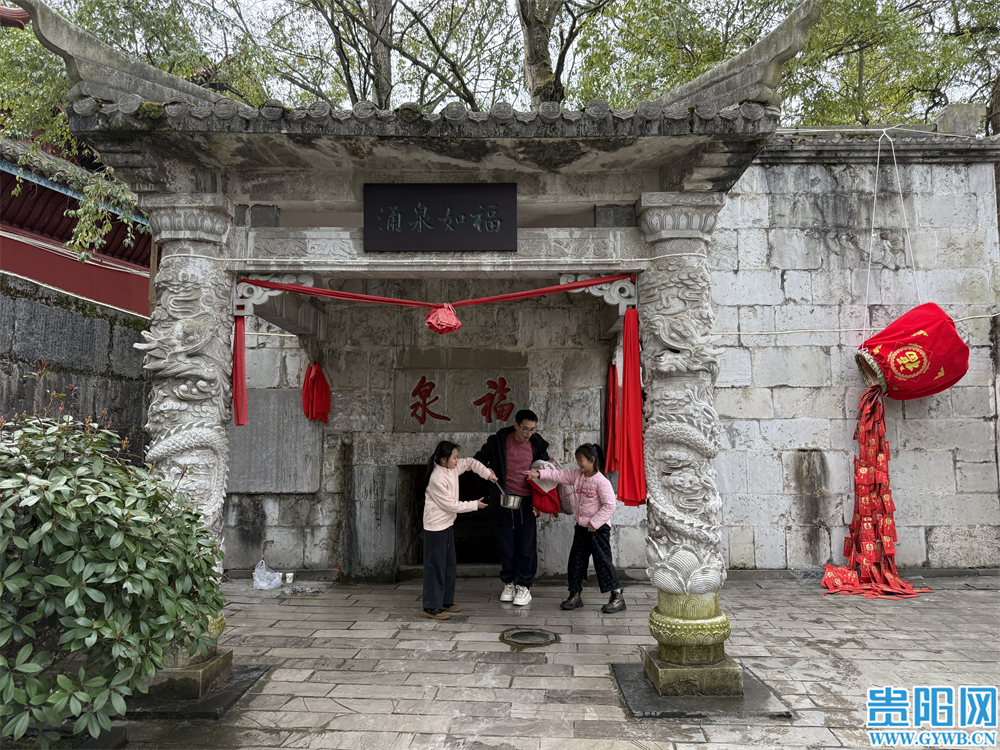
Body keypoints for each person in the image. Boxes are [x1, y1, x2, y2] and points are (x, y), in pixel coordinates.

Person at [525, 443, 626, 614]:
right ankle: (575, 595)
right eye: (577, 460)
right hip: (581, 528)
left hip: (598, 530)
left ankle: (617, 596)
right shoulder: (576, 475)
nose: (578, 463)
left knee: (603, 562)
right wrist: (539, 474)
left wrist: (595, 523)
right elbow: (559, 475)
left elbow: (609, 505)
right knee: (576, 562)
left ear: (592, 460)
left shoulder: (602, 481)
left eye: (581, 460)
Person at [473, 409, 550, 606]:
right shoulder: (498, 441)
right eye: (525, 429)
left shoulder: (537, 444)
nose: (529, 433)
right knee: (505, 543)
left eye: (532, 429)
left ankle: (524, 586)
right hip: (504, 498)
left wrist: (542, 495)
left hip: (528, 501)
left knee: (526, 545)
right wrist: (487, 471)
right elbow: (477, 460)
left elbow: (547, 470)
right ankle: (508, 583)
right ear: (516, 425)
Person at [422, 441, 495, 620]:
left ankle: (445, 601)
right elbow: (451, 505)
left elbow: (470, 462)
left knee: (449, 565)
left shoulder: (452, 467)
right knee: (436, 567)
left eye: (456, 457)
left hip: (447, 524)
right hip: (435, 527)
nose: (457, 461)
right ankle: (431, 607)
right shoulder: (437, 478)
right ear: (443, 460)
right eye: (454, 458)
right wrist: (475, 505)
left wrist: (487, 474)